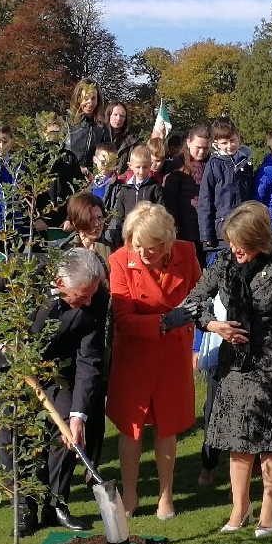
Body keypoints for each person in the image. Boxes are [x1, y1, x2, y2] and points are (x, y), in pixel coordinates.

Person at [0, 248, 108, 535]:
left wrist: (79, 417)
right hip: (9, 363)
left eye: (91, 294)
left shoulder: (97, 296)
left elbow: (90, 358)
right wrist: (1, 341)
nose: (88, 301)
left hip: (54, 365)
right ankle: (24, 507)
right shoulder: (21, 271)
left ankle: (56, 504)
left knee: (65, 426)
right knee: (12, 433)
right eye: (82, 295)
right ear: (61, 283)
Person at [184, 203, 272, 538]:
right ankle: (239, 507)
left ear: (258, 239)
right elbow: (193, 301)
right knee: (237, 439)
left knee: (271, 440)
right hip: (235, 365)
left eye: (241, 243)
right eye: (232, 243)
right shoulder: (223, 262)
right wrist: (213, 325)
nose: (235, 250)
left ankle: (269, 503)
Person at [107, 203, 202, 519]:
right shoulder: (119, 261)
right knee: (131, 428)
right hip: (134, 356)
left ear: (167, 242)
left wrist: (199, 331)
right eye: (137, 246)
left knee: (167, 425)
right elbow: (122, 318)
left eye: (152, 248)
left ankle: (166, 495)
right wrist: (163, 321)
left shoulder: (186, 254)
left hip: (173, 356)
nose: (144, 253)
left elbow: (201, 297)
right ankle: (130, 494)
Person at [54, 193, 113, 467]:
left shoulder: (110, 249)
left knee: (96, 395)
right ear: (78, 220)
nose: (98, 223)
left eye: (101, 217)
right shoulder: (64, 250)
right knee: (72, 395)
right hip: (74, 336)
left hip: (104, 331)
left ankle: (94, 462)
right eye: (92, 218)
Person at [197, 118, 254, 252]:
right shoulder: (214, 164)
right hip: (221, 231)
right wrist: (206, 235)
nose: (230, 146)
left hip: (242, 226)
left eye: (233, 141)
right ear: (216, 143)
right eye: (224, 143)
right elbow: (205, 201)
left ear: (238, 137)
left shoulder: (246, 163)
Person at [163, 125, 212, 258]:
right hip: (184, 226)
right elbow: (170, 200)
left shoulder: (212, 163)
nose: (201, 152)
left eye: (205, 148)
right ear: (189, 142)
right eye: (198, 147)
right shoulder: (177, 165)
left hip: (207, 226)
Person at [106, 145, 164, 246]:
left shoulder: (154, 188)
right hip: (128, 235)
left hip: (148, 234)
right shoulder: (125, 189)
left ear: (150, 165)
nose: (141, 171)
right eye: (138, 167)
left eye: (145, 167)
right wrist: (115, 232)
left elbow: (160, 211)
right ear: (130, 165)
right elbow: (119, 213)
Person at [65, 78, 111, 172]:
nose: (90, 102)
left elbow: (107, 156)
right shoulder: (66, 124)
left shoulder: (102, 128)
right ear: (78, 99)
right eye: (86, 98)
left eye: (93, 98)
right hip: (67, 178)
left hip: (92, 180)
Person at [104, 101, 137, 174]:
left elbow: (133, 165)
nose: (118, 118)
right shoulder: (99, 135)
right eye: (115, 114)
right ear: (109, 115)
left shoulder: (131, 141)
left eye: (122, 116)